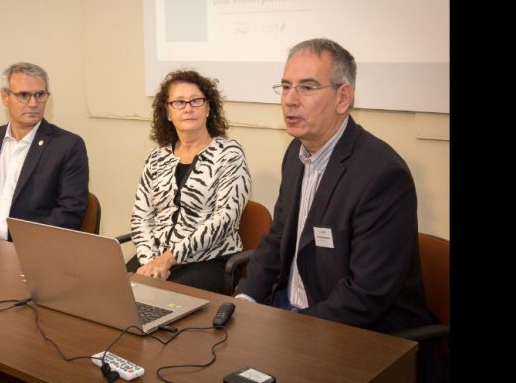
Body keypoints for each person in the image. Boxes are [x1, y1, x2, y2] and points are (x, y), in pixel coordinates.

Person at [235, 39, 444, 382]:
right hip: (292, 311)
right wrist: (246, 299)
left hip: (358, 332)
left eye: (307, 87)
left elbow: (367, 295)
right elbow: (277, 238)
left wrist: (290, 330)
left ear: (343, 98)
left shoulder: (382, 174)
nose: (290, 99)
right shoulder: (296, 154)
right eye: (286, 86)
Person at [128, 69, 251, 293]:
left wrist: (169, 259)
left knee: (160, 300)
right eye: (179, 102)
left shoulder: (229, 154)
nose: (188, 108)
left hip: (208, 260)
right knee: (114, 292)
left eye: (196, 101)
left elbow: (224, 219)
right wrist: (149, 261)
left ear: (208, 108)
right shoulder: (157, 158)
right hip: (155, 257)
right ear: (167, 112)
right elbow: (141, 217)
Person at [0, 62, 89, 240]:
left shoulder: (67, 146)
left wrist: (23, 248)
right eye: (23, 95)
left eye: (40, 95)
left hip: (28, 252)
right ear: (5, 97)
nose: (33, 103)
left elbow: (69, 213)